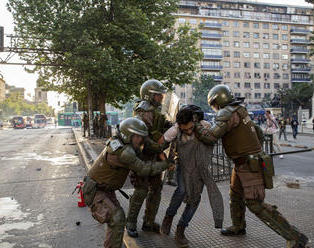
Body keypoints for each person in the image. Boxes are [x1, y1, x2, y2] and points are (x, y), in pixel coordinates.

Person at [195, 85, 308, 248]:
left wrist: (196, 123)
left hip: (248, 164)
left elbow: (210, 137)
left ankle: (295, 237)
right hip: (244, 162)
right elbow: (257, 132)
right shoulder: (240, 110)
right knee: (235, 196)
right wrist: (254, 150)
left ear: (216, 101)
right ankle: (238, 226)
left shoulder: (227, 113)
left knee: (255, 203)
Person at [85, 117, 173, 248]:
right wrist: (165, 164)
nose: (140, 140)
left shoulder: (122, 143)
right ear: (128, 135)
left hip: (104, 189)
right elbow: (143, 168)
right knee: (117, 218)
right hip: (96, 190)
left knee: (117, 221)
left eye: (141, 137)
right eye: (137, 137)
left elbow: (146, 148)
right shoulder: (124, 152)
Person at [160, 105, 224, 247]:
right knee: (182, 191)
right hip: (183, 167)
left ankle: (181, 229)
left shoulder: (204, 125)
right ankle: (168, 217)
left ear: (194, 121)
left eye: (190, 128)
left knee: (194, 199)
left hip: (200, 169)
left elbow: (213, 138)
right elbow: (159, 145)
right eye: (185, 129)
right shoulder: (175, 130)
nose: (188, 131)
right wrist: (166, 161)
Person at [126, 79, 172, 237]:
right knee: (141, 191)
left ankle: (148, 222)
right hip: (142, 156)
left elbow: (159, 126)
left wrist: (171, 126)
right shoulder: (143, 111)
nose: (161, 97)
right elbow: (142, 137)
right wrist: (158, 147)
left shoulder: (154, 110)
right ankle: (130, 222)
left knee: (156, 190)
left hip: (153, 157)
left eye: (161, 95)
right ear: (149, 95)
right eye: (158, 95)